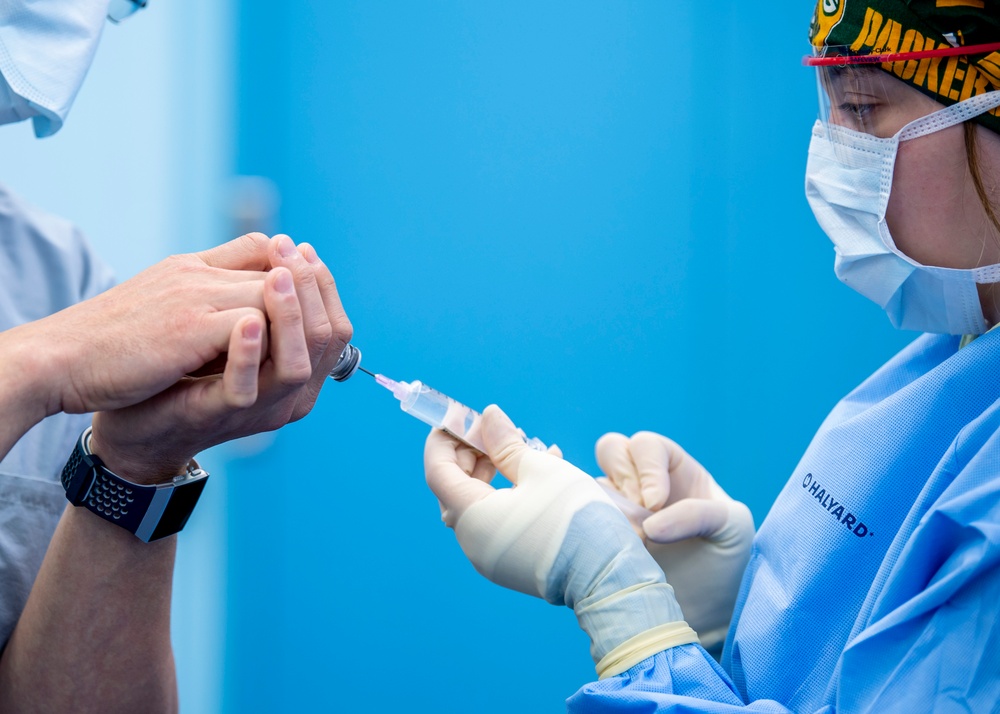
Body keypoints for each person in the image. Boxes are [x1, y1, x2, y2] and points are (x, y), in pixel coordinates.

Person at [424, 1, 1000, 711]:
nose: (833, 152)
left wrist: (625, 607)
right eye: (832, 106)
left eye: (861, 108)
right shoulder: (951, 367)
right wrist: (732, 622)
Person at [0, 1, 352, 712]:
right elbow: (54, 356)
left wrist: (134, 465)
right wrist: (41, 363)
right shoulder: (65, 329)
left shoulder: (51, 274)